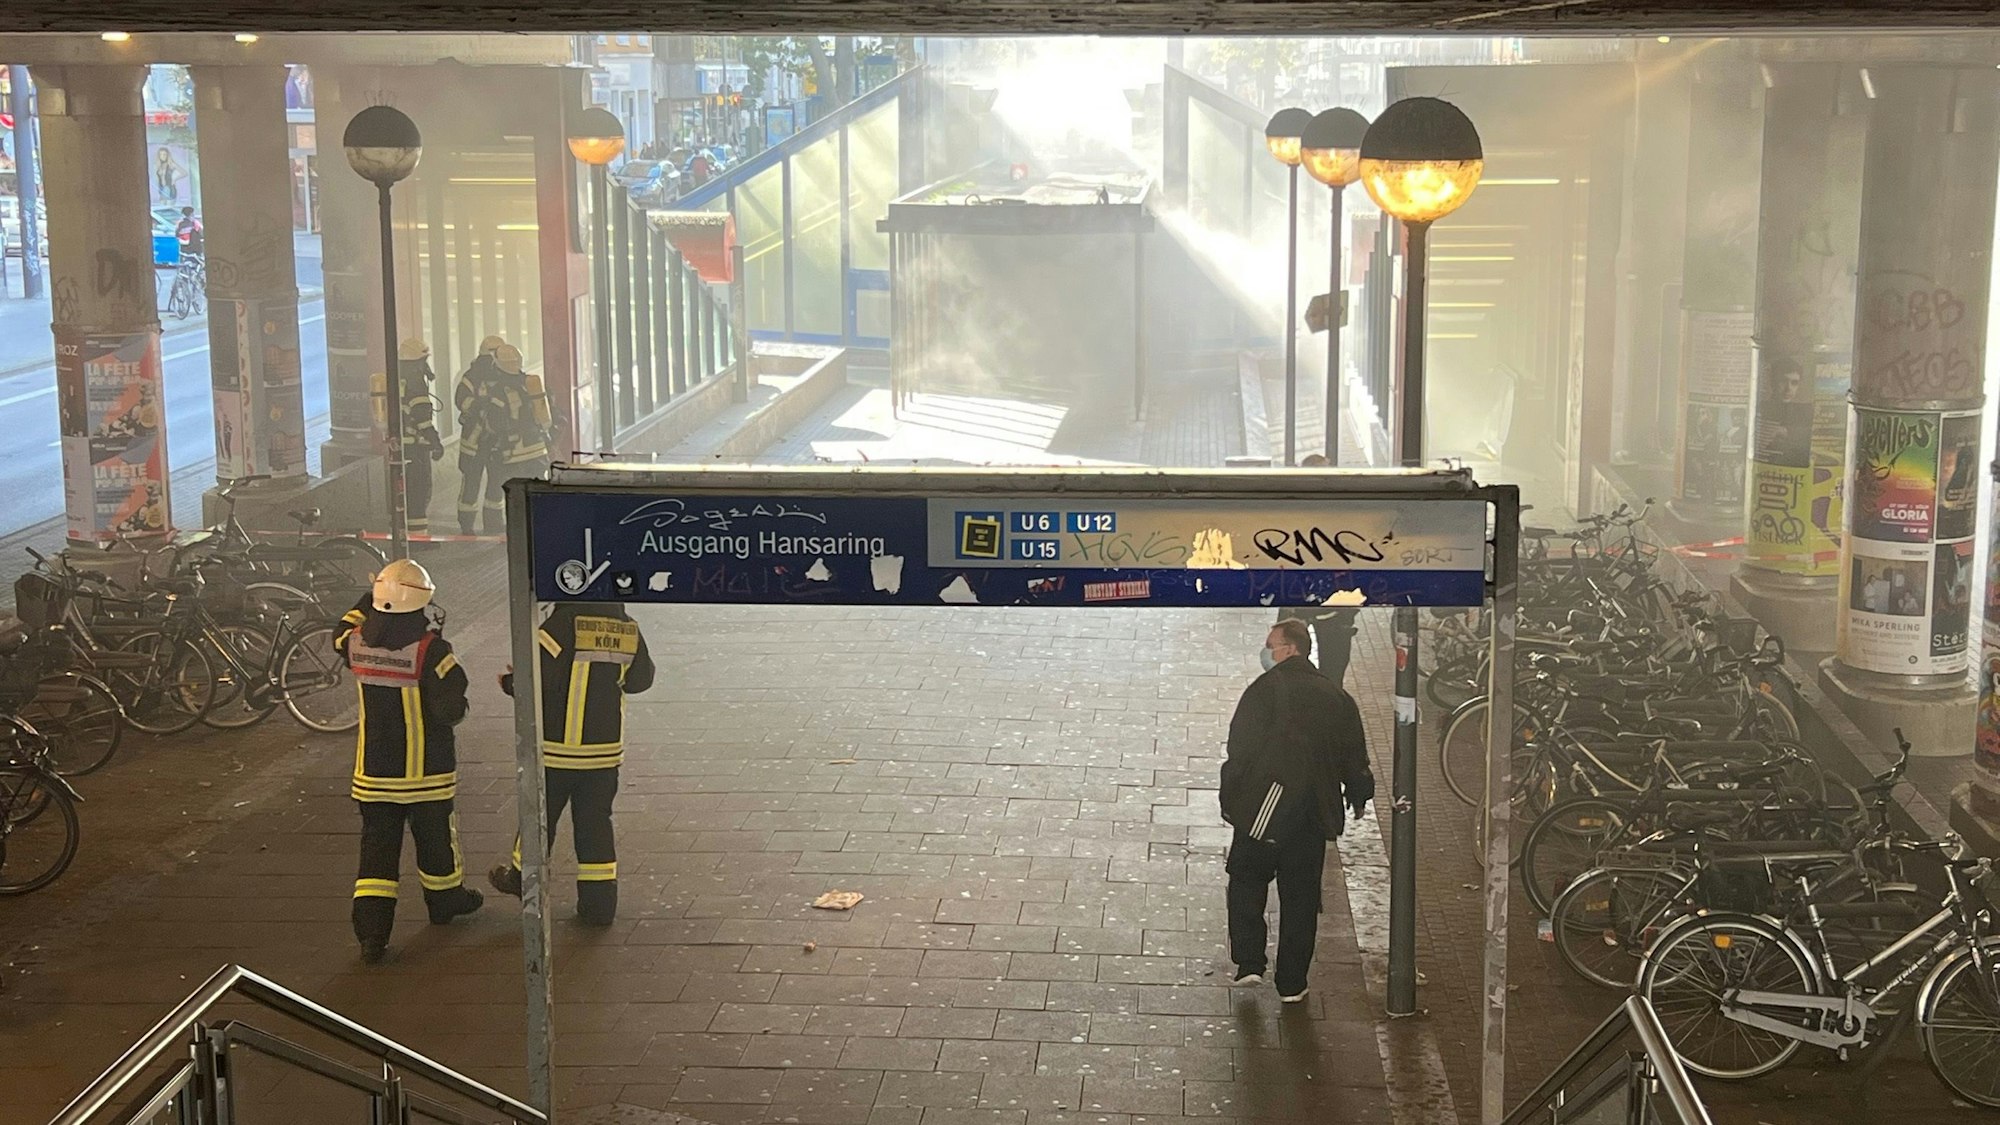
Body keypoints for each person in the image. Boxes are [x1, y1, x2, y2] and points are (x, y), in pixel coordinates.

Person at [334, 560, 483, 962]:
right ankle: (445, 900)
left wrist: (371, 597)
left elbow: (340, 629)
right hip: (425, 772)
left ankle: (371, 935)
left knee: (377, 853)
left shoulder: (356, 643)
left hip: (375, 773)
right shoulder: (431, 650)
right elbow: (451, 708)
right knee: (436, 840)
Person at [1221, 618, 1373, 1002]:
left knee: (1246, 878)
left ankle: (1251, 963)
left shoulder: (1264, 690)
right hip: (1312, 812)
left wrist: (1232, 802)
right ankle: (1292, 982)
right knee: (1301, 898)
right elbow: (1353, 755)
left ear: (1289, 649)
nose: (1266, 651)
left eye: (1271, 644)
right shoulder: (1335, 696)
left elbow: (1239, 750)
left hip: (1264, 809)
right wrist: (1357, 795)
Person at [488, 602, 656, 925]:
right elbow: (641, 680)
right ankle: (599, 906)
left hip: (556, 752)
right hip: (603, 754)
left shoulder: (560, 624)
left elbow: (537, 677)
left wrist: (509, 683)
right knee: (596, 827)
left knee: (540, 817)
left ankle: (521, 878)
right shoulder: (627, 628)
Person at [1276, 454, 1358, 686]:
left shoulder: (1333, 509)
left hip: (1329, 605)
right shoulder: (1338, 508)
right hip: (1309, 602)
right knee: (1324, 671)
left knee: (1325, 671)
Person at [458, 343, 551, 534]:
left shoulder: (497, 390)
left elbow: (495, 423)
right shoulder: (531, 383)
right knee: (532, 489)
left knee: (504, 490)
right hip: (535, 450)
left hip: (510, 452)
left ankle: (501, 528)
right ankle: (537, 526)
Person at [453, 336, 506, 535]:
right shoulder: (471, 377)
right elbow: (461, 400)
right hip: (475, 441)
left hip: (495, 440)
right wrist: (482, 408)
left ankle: (492, 524)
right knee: (472, 482)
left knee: (496, 482)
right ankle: (467, 525)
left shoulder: (501, 374)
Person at [396, 339, 446, 538]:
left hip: (401, 445)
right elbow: (422, 418)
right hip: (416, 447)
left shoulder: (398, 378)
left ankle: (404, 535)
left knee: (407, 492)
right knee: (419, 490)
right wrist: (435, 442)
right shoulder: (416, 382)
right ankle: (418, 537)